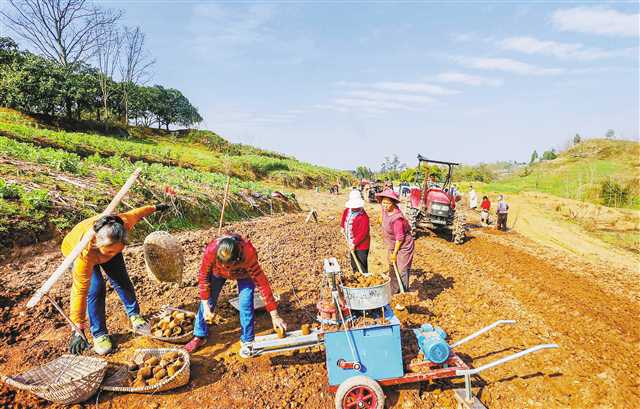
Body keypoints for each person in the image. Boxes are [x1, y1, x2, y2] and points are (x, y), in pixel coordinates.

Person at [65, 203, 170, 355]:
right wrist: (77, 328)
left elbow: (138, 212)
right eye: (109, 251)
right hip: (74, 248)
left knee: (121, 279)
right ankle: (99, 334)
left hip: (105, 243)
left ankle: (134, 314)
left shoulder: (122, 223)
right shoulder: (84, 254)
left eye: (117, 249)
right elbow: (79, 291)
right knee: (95, 289)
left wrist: (156, 207)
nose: (111, 254)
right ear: (97, 242)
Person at [184, 234, 287, 357]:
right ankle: (199, 335)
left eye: (227, 265)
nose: (225, 266)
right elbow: (203, 277)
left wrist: (275, 316)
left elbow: (262, 285)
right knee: (208, 300)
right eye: (221, 263)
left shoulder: (248, 254)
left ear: (237, 259)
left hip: (243, 274)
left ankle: (248, 340)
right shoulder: (211, 250)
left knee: (246, 304)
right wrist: (206, 305)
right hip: (218, 274)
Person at [376, 189, 415, 294]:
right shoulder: (385, 209)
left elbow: (400, 238)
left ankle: (404, 293)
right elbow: (382, 215)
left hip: (403, 245)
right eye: (383, 203)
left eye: (388, 203)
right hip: (392, 243)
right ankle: (393, 291)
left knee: (402, 269)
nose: (385, 205)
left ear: (393, 203)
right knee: (392, 266)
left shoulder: (397, 219)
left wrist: (395, 253)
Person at [341, 190, 370, 275]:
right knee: (353, 263)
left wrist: (354, 243)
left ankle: (364, 282)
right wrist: (342, 226)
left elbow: (363, 233)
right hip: (351, 242)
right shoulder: (347, 210)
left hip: (361, 245)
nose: (354, 207)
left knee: (361, 265)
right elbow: (344, 218)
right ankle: (356, 277)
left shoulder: (363, 217)